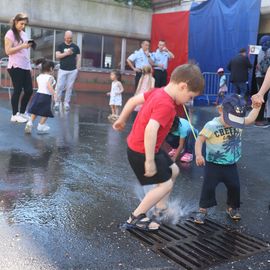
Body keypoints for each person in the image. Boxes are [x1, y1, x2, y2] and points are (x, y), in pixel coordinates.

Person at [113, 63, 205, 231]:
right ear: (183, 86)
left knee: (174, 171)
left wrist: (122, 119)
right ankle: (135, 218)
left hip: (143, 148)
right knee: (166, 185)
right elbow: (151, 129)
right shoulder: (166, 105)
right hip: (142, 152)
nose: (189, 101)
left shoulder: (158, 91)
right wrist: (149, 161)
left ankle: (159, 209)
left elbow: (133, 100)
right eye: (190, 96)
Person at [194, 94, 261, 224]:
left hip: (230, 164)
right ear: (220, 110)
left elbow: (251, 118)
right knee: (208, 187)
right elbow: (199, 140)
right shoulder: (211, 125)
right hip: (213, 164)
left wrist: (257, 108)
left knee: (234, 186)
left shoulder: (239, 121)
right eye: (230, 119)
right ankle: (202, 209)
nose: (233, 123)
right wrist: (198, 155)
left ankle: (232, 207)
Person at [4, 13, 34, 123]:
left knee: (29, 90)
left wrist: (29, 66)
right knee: (18, 90)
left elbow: (25, 52)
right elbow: (8, 51)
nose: (23, 26)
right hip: (15, 66)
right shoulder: (10, 33)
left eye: (25, 24)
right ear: (16, 22)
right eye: (21, 23)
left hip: (25, 66)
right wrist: (22, 46)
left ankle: (22, 112)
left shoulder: (24, 34)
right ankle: (14, 114)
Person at [24, 59, 56, 134]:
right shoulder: (50, 77)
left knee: (35, 111)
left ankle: (30, 123)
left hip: (38, 95)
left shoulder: (39, 76)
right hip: (45, 96)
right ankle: (41, 125)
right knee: (46, 112)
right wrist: (54, 94)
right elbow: (48, 86)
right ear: (51, 68)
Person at [54, 30, 80, 111]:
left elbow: (78, 58)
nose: (69, 39)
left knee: (69, 87)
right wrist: (67, 53)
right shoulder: (60, 46)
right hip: (62, 69)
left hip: (73, 70)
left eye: (70, 38)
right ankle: (57, 102)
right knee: (59, 86)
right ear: (65, 37)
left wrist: (77, 69)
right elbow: (57, 56)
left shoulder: (76, 47)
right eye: (68, 38)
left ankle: (66, 103)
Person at [254, 36, 270, 127]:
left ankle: (259, 119)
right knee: (262, 99)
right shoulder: (268, 50)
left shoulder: (260, 51)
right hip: (265, 77)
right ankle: (259, 120)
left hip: (259, 76)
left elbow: (258, 65)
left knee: (261, 97)